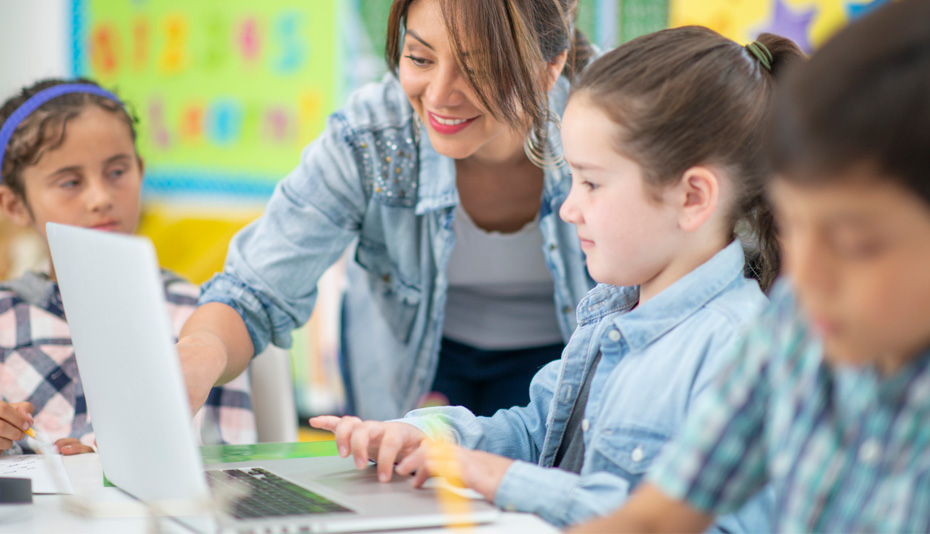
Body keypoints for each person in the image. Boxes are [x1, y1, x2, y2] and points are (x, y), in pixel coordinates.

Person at [309, 26, 807, 529]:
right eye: (571, 179)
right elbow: (536, 433)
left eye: (592, 182)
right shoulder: (610, 310)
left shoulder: (739, 352)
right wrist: (432, 438)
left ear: (693, 198)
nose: (569, 209)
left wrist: (496, 477)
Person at [568, 1, 930, 532]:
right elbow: (655, 519)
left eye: (856, 243)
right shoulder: (795, 326)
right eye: (793, 227)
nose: (807, 277)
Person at [177, 0, 596, 420]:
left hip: (562, 360)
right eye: (419, 58)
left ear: (549, 67)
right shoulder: (370, 136)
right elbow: (252, 294)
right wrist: (194, 359)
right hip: (415, 369)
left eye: (479, 67)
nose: (439, 94)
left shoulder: (619, 117)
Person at [0, 78, 257, 455]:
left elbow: (231, 465)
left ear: (139, 170)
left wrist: (108, 471)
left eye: (117, 173)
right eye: (70, 182)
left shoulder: (202, 318)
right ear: (14, 206)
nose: (101, 198)